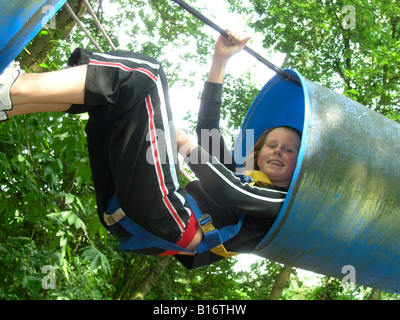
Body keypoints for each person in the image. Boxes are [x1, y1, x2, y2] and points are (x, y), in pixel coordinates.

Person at [0, 31, 300, 269]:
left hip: (174, 222)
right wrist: (220, 60)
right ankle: (8, 103)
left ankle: (15, 86)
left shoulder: (281, 204)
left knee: (147, 76)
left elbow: (235, 194)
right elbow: (208, 124)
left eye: (289, 150)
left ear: (300, 165)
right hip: (130, 210)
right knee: (112, 97)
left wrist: (181, 142)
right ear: (258, 152)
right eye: (272, 145)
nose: (277, 152)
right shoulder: (237, 173)